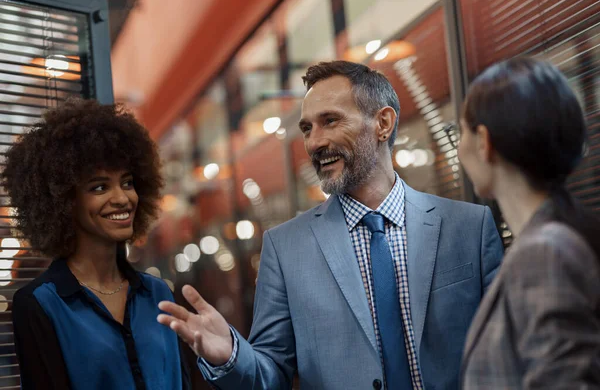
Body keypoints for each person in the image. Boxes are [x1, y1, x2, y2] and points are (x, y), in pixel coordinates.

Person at [158, 61, 504, 390]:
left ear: (383, 123)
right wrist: (232, 356)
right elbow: (271, 373)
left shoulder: (468, 227)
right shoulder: (285, 248)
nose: (314, 142)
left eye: (330, 121)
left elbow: (506, 353)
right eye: (307, 128)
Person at [4, 99, 190, 390]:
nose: (122, 198)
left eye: (127, 182)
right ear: (64, 201)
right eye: (100, 187)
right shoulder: (39, 305)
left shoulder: (159, 293)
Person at [458, 57, 600, 388]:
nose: (459, 147)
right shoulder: (563, 234)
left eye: (460, 131)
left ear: (484, 142)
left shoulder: (543, 252)